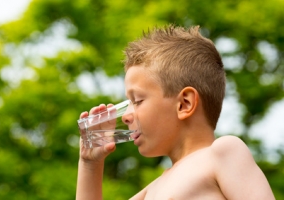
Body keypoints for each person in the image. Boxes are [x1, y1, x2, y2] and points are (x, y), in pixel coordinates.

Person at [76, 25, 275, 200]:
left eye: (137, 101)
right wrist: (90, 164)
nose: (126, 116)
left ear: (184, 104)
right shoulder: (150, 192)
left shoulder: (222, 154)